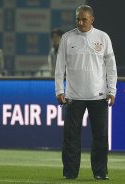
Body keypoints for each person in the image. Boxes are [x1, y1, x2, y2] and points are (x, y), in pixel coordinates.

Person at [55, 5, 117, 180]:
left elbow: (111, 68)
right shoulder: (67, 38)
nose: (80, 22)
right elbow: (59, 67)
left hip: (98, 95)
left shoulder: (103, 37)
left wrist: (112, 90)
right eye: (78, 19)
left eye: (84, 19)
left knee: (100, 137)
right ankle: (70, 173)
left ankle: (99, 172)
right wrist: (60, 89)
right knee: (70, 139)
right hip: (73, 96)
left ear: (92, 19)